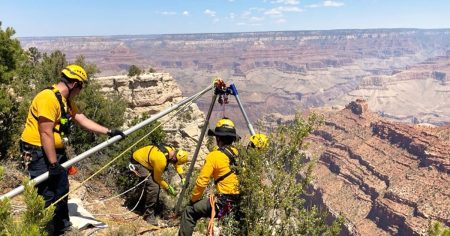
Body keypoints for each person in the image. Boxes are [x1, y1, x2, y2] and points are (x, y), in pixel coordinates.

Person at [19, 64, 125, 235]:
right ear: (75, 84)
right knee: (46, 193)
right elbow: (45, 133)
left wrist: (109, 131)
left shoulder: (65, 99)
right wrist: (53, 164)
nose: (80, 91)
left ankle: (62, 226)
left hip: (54, 150)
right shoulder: (48, 98)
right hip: (38, 150)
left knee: (61, 188)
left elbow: (81, 118)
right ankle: (44, 230)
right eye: (81, 87)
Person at [179, 117, 240, 236]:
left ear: (217, 138)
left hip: (223, 202)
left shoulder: (214, 156)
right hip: (239, 200)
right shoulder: (239, 153)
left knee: (189, 212)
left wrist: (193, 200)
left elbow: (202, 182)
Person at [130, 143, 189, 225]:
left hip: (146, 160)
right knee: (154, 186)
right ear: (174, 157)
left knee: (153, 185)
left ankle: (149, 206)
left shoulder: (172, 151)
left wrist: (183, 177)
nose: (174, 164)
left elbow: (177, 165)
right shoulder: (161, 160)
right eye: (175, 162)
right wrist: (168, 187)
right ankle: (148, 215)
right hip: (138, 162)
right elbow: (157, 178)